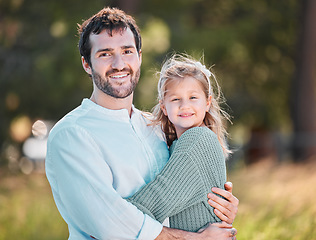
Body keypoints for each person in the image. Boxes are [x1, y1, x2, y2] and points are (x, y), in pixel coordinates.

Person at [45, 7, 238, 240]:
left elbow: (184, 189)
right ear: (87, 64)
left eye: (127, 51)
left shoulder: (157, 127)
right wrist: (195, 239)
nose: (119, 64)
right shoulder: (72, 135)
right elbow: (109, 224)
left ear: (139, 57)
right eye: (105, 54)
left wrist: (220, 206)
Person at [128, 54, 231, 232]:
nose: (184, 105)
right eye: (176, 99)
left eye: (193, 98)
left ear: (207, 103)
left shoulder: (198, 139)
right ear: (164, 107)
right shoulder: (176, 144)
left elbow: (159, 198)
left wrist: (109, 218)